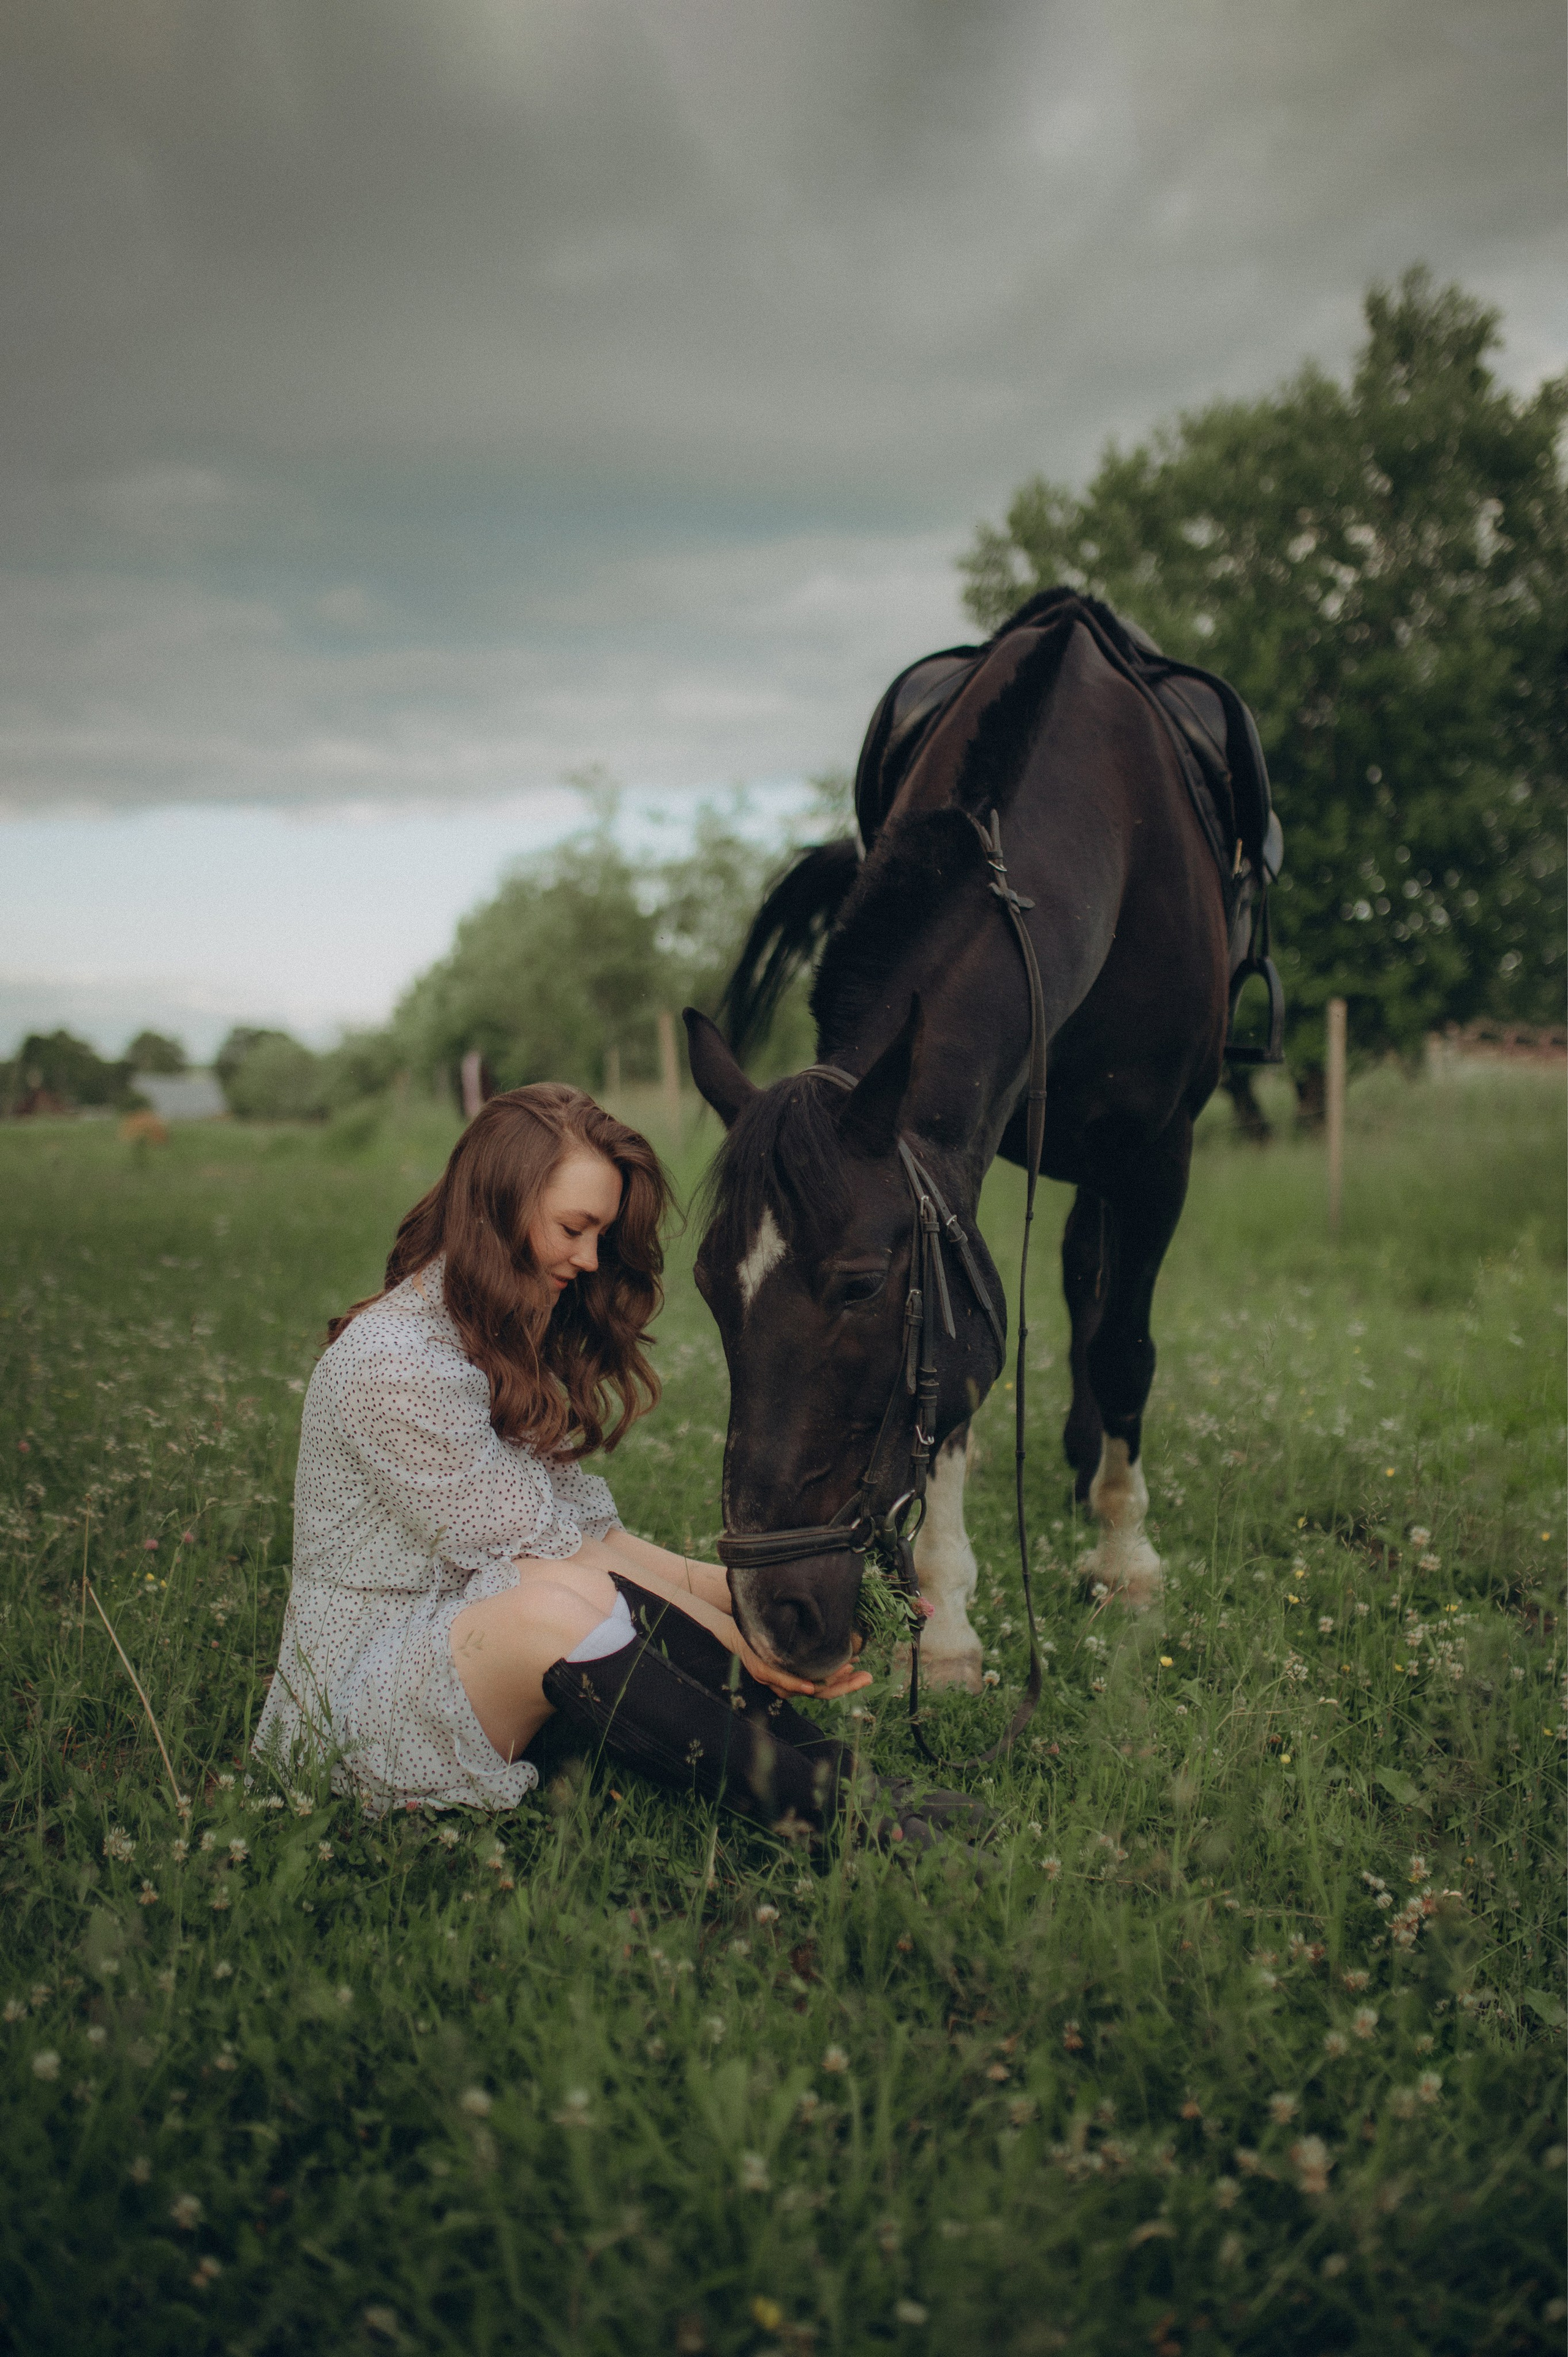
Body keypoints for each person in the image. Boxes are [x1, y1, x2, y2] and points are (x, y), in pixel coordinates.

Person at [252, 1083, 970, 1846]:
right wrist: (749, 1652)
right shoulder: (396, 1364)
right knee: (552, 1600)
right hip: (353, 1703)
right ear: (495, 1204)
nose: (591, 1259)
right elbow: (564, 1562)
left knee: (560, 1584)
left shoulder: (482, 1340)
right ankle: (842, 1818)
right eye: (574, 1227)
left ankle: (846, 1779)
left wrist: (756, 1601)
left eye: (600, 1234)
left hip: (461, 1643)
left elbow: (600, 1545)